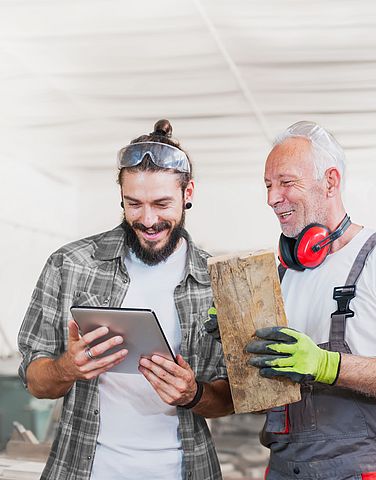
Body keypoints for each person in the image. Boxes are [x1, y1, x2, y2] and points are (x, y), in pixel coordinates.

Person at [18, 120, 233, 480]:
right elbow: (35, 379)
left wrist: (193, 394)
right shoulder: (69, 264)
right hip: (84, 470)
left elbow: (232, 398)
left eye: (162, 203)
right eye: (134, 204)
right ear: (120, 196)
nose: (148, 220)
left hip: (183, 469)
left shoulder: (218, 281)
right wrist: (67, 369)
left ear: (188, 192)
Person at [246, 121, 376, 479]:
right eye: (268, 185)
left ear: (331, 182)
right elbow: (261, 401)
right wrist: (238, 343)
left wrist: (327, 365)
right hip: (285, 469)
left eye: (286, 183)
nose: (272, 198)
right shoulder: (283, 275)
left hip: (366, 471)